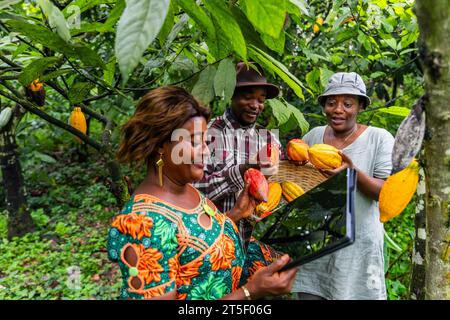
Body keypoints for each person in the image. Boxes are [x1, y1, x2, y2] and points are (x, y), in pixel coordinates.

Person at [107, 85, 298, 300]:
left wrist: (235, 214)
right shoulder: (142, 224)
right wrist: (250, 291)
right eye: (194, 142)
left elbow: (196, 244)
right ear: (161, 144)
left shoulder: (186, 187)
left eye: (205, 142)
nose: (206, 152)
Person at [292, 72, 394, 300]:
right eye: (331, 103)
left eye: (348, 104)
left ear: (360, 107)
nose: (338, 109)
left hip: (358, 251)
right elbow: (295, 186)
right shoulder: (313, 137)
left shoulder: (379, 138)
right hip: (315, 250)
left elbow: (386, 194)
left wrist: (351, 173)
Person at [194, 62, 281, 250]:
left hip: (251, 250)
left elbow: (278, 190)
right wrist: (243, 170)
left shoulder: (269, 140)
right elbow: (192, 192)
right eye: (248, 97)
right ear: (232, 94)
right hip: (210, 244)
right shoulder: (207, 134)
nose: (255, 105)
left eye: (261, 100)